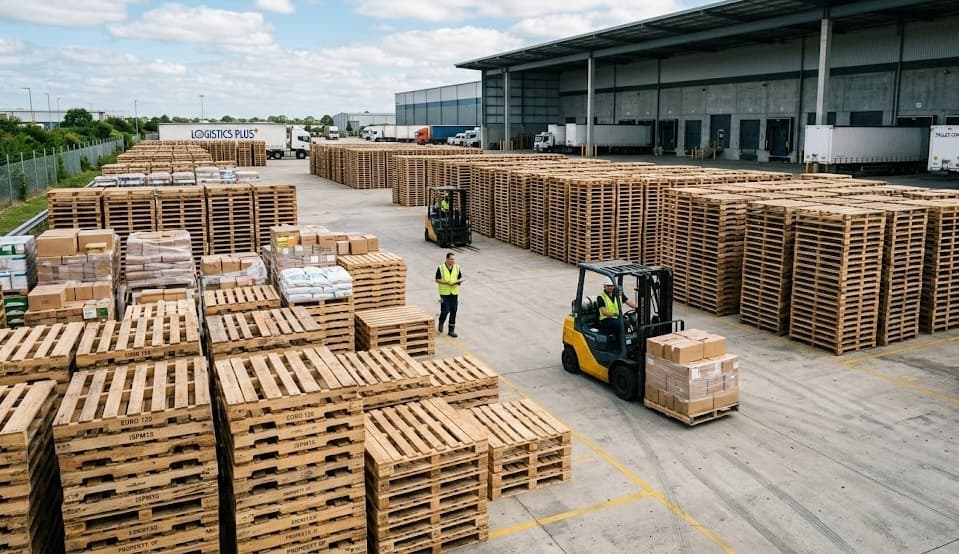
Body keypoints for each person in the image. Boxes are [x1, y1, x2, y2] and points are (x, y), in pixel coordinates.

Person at [435, 252, 463, 337]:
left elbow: (459, 278)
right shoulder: (441, 268)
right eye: (451, 259)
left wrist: (458, 282)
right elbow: (437, 279)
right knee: (445, 310)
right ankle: (441, 322)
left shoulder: (457, 267)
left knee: (453, 310)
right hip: (444, 293)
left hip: (454, 292)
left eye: (453, 259)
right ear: (446, 259)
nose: (453, 261)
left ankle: (451, 330)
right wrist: (447, 282)